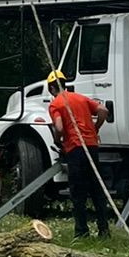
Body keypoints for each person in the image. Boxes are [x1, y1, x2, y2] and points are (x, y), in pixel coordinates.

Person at [45, 70, 110, 238]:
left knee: (78, 193)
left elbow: (59, 127)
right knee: (97, 191)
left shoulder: (55, 104)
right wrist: (96, 128)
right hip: (92, 146)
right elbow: (103, 110)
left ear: (51, 88)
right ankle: (104, 230)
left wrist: (57, 140)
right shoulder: (80, 98)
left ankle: (81, 232)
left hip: (75, 148)